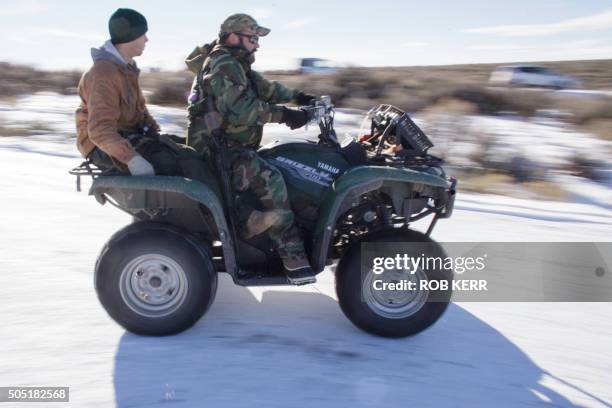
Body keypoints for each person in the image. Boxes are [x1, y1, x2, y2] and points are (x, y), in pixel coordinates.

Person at [185, 13, 317, 284]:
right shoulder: (222, 64)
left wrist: (299, 97)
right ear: (234, 37)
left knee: (283, 161)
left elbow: (266, 88)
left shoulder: (237, 65)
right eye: (253, 38)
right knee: (273, 179)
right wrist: (287, 116)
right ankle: (292, 256)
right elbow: (241, 110)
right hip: (218, 152)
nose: (257, 45)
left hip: (233, 146)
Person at [76, 8, 206, 183]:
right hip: (101, 146)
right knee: (183, 162)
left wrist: (156, 134)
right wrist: (132, 159)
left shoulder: (126, 69)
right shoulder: (103, 74)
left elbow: (139, 111)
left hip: (126, 136)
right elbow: (100, 131)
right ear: (130, 37)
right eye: (143, 34)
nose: (147, 39)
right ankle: (197, 210)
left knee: (192, 150)